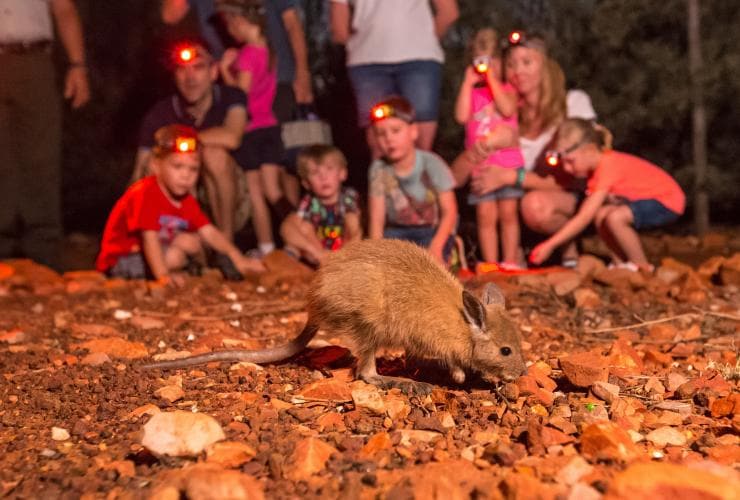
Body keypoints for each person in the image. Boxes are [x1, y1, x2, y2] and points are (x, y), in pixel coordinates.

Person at [451, 30, 597, 267]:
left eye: (527, 62)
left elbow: (577, 174)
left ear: (546, 66)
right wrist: (484, 146)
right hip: (511, 207)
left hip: (572, 201)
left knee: (534, 205)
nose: (518, 71)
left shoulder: (573, 103)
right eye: (511, 64)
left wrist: (509, 176)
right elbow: (455, 178)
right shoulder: (495, 112)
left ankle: (569, 246)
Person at [97, 125, 264, 285]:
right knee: (176, 255)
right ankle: (163, 276)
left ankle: (193, 270)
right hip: (122, 258)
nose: (186, 176)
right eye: (177, 166)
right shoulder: (146, 192)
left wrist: (238, 258)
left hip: (154, 254)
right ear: (156, 165)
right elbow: (150, 240)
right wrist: (163, 276)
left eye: (193, 169)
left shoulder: (184, 200)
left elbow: (209, 232)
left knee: (190, 241)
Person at [0, 0, 91, 270]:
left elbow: (64, 8)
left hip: (33, 60)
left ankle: (43, 251)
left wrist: (77, 66)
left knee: (40, 155)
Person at [528, 118, 685, 272]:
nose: (567, 168)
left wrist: (550, 244)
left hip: (667, 200)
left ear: (589, 150)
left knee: (615, 217)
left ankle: (641, 266)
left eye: (571, 161)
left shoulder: (608, 166)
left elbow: (584, 217)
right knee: (601, 215)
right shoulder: (597, 171)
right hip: (650, 200)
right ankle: (620, 264)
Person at [133, 36, 245, 242]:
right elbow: (138, 173)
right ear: (174, 76)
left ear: (213, 72)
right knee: (155, 163)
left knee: (214, 154)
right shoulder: (159, 114)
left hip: (236, 200)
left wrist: (175, 140)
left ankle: (226, 246)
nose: (190, 77)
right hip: (180, 200)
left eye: (198, 68)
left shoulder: (232, 97)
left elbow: (232, 137)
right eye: (182, 69)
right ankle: (185, 243)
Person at [329, 0, 459, 156]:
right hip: (368, 63)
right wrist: (353, 46)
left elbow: (448, 12)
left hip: (418, 60)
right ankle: (382, 180)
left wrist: (425, 39)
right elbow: (338, 21)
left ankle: (420, 179)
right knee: (380, 143)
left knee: (421, 143)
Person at [216, 0, 294, 258]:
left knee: (257, 191)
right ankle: (300, 235)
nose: (230, 32)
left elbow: (241, 94)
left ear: (238, 21)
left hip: (251, 130)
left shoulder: (248, 54)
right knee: (275, 190)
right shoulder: (269, 48)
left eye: (229, 26)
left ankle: (266, 247)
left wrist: (226, 72)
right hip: (270, 126)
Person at [454, 27, 524, 269]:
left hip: (507, 165)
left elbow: (506, 110)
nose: (485, 67)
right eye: (479, 61)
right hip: (481, 168)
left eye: (490, 60)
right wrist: (467, 82)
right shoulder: (473, 94)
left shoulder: (509, 91)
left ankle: (511, 261)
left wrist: (493, 79)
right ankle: (491, 263)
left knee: (508, 214)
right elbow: (461, 116)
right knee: (485, 217)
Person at [367, 96, 458, 265]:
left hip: (432, 232)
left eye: (396, 131)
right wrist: (376, 257)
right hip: (397, 234)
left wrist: (436, 247)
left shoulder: (432, 163)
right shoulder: (378, 169)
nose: (389, 139)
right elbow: (377, 221)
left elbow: (450, 212)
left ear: (413, 131)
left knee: (431, 272)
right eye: (381, 133)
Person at [280, 144, 362, 266]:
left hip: (345, 253)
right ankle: (290, 276)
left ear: (342, 173)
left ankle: (344, 266)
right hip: (317, 254)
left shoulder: (348, 196)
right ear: (306, 183)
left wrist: (342, 256)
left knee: (352, 220)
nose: (323, 177)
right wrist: (317, 252)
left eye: (329, 169)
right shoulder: (309, 201)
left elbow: (355, 230)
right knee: (301, 228)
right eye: (315, 172)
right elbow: (286, 228)